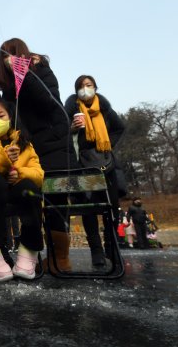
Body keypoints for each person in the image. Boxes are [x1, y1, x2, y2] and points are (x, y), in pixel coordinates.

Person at [0, 38, 78, 273]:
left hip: (55, 147)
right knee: (32, 197)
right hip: (30, 150)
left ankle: (60, 258)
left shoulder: (41, 70)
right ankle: (36, 254)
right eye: (5, 57)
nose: (9, 60)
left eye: (13, 54)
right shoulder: (7, 87)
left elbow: (47, 102)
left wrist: (23, 71)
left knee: (57, 201)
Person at [64, 75, 125, 266]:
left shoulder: (105, 110)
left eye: (89, 85)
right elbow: (62, 135)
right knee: (89, 208)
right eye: (81, 86)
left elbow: (119, 128)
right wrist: (72, 129)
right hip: (83, 163)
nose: (85, 89)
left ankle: (112, 247)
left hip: (107, 162)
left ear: (95, 88)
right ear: (76, 91)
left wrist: (107, 144)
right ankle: (96, 250)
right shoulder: (72, 109)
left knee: (111, 207)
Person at [0, 98, 44, 281]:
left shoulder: (24, 143)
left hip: (17, 192)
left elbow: (39, 174)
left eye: (1, 115)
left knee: (31, 189)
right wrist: (3, 157)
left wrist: (20, 173)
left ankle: (29, 248)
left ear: (10, 117)